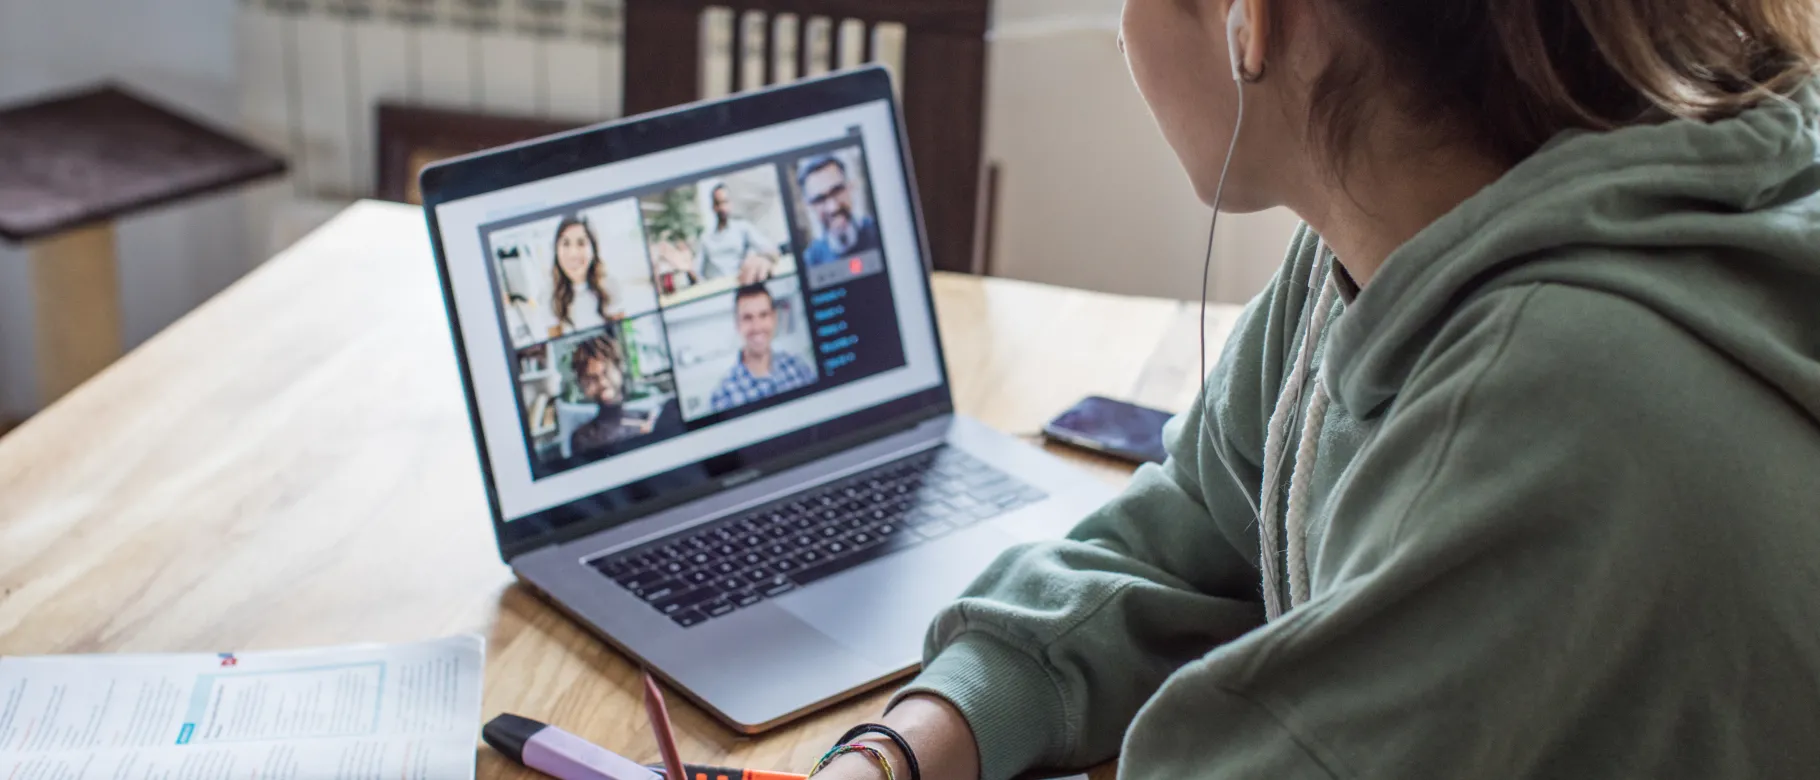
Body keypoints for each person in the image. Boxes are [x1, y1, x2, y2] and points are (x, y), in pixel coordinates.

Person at [812, 2, 1820, 780]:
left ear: (1250, 19)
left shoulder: (1557, 406)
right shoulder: (1388, 236)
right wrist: (902, 747)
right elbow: (1187, 539)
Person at [567, 331, 680, 456]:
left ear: (619, 368)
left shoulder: (649, 417)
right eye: (591, 378)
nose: (602, 382)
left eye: (606, 372)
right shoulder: (583, 437)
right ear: (582, 385)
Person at [708, 284, 816, 413]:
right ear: (737, 324)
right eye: (748, 318)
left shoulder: (799, 367)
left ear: (774, 318)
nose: (757, 327)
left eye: (763, 315)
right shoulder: (723, 395)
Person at [797, 155, 881, 266]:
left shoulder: (880, 231)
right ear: (809, 206)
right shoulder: (810, 261)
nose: (833, 207)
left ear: (850, 187)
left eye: (837, 191)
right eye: (820, 199)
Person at [547, 215, 619, 336]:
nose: (573, 254)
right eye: (565, 243)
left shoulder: (611, 285)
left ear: (593, 249)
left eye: (581, 243)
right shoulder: (549, 296)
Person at [698, 182, 782, 284]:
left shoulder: (742, 227)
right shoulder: (705, 238)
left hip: (741, 285)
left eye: (725, 202)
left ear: (730, 204)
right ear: (713, 207)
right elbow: (697, 271)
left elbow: (771, 249)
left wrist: (761, 259)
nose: (722, 207)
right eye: (718, 203)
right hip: (717, 290)